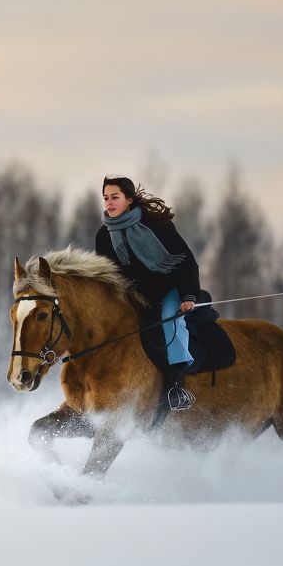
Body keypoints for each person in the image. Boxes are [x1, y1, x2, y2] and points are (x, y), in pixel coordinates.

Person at [94, 176, 200, 411]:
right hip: (134, 296)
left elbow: (187, 262)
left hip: (169, 290)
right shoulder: (103, 236)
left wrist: (188, 297)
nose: (109, 203)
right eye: (106, 198)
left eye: (115, 197)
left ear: (129, 199)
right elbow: (105, 276)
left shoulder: (157, 226)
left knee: (170, 322)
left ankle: (176, 387)